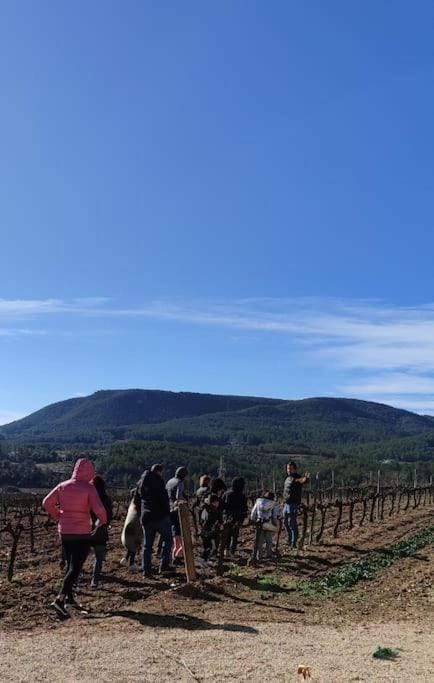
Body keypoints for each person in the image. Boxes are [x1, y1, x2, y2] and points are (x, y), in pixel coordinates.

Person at [42, 458, 107, 617]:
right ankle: (60, 599)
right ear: (90, 471)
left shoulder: (62, 486)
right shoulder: (89, 488)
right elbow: (100, 510)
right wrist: (101, 523)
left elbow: (46, 503)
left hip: (65, 531)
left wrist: (59, 516)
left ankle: (70, 598)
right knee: (75, 568)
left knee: (71, 563)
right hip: (81, 532)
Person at [138, 463, 173, 578]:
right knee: (168, 540)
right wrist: (168, 513)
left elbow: (138, 499)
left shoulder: (142, 484)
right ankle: (163, 566)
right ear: (159, 471)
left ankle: (146, 570)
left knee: (147, 545)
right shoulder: (158, 482)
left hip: (146, 517)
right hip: (159, 517)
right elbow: (164, 500)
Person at [90, 475, 113, 588]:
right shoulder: (106, 499)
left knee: (81, 556)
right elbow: (109, 515)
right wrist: (105, 525)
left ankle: (77, 578)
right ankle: (95, 581)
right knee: (99, 557)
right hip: (100, 530)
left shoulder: (87, 497)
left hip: (86, 529)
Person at [283, 462, 310, 549]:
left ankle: (293, 542)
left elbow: (302, 480)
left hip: (293, 504)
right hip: (286, 504)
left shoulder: (297, 477)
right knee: (286, 523)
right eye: (288, 468)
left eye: (290, 468)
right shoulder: (288, 478)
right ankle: (290, 539)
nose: (288, 470)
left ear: (295, 469)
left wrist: (305, 479)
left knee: (292, 523)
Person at [166, 466, 188, 563]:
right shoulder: (180, 482)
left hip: (168, 508)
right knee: (180, 531)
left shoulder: (170, 481)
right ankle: (178, 555)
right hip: (176, 509)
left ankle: (174, 553)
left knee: (174, 530)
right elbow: (178, 496)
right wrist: (185, 502)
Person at [223, 477, 248, 559]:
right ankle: (232, 552)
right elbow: (245, 509)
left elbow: (223, 507)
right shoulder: (242, 496)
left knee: (227, 535)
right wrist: (243, 518)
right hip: (237, 518)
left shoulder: (227, 494)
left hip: (227, 518)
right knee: (235, 536)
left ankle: (226, 551)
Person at [250, 490, 278, 560]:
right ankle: (269, 554)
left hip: (258, 522)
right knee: (269, 540)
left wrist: (253, 521)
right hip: (267, 522)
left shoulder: (258, 501)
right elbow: (274, 516)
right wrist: (275, 524)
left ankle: (259, 556)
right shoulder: (273, 503)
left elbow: (253, 512)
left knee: (259, 540)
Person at [120, 487, 142, 573]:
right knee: (134, 544)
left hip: (129, 526)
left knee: (130, 543)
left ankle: (125, 559)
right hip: (134, 527)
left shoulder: (132, 504)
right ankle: (132, 563)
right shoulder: (138, 505)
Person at [198, 493, 222, 566]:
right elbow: (211, 521)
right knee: (209, 547)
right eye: (217, 502)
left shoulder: (206, 508)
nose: (218, 503)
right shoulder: (212, 511)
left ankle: (205, 559)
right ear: (214, 502)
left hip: (203, 531)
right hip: (208, 531)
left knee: (207, 546)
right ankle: (203, 560)